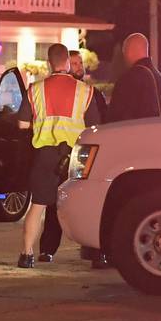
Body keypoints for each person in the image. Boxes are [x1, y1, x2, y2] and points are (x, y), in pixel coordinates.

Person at [17, 43, 98, 269]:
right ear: (66, 63)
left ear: (48, 63)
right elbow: (95, 128)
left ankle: (26, 255)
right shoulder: (85, 91)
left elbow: (22, 124)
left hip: (44, 154)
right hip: (74, 157)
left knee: (38, 205)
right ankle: (95, 252)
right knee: (84, 204)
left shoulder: (35, 90)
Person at [36, 48, 108, 262]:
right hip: (62, 153)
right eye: (74, 63)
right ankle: (47, 248)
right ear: (66, 64)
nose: (77, 67)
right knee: (53, 204)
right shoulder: (65, 91)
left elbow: (101, 124)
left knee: (88, 202)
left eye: (79, 64)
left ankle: (95, 250)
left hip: (84, 155)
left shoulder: (90, 92)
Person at [108, 33, 161, 122]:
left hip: (133, 132)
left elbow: (116, 114)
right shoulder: (158, 76)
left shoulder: (129, 78)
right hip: (155, 131)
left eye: (124, 52)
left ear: (129, 51)